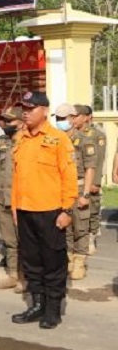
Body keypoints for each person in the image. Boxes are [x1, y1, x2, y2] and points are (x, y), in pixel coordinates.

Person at [11, 91, 77, 329]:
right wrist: (16, 208)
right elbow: (17, 178)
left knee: (53, 262)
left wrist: (67, 210)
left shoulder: (59, 139)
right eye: (24, 109)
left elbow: (69, 177)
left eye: (31, 109)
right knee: (31, 262)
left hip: (51, 211)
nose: (26, 113)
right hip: (25, 210)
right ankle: (36, 305)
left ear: (45, 111)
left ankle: (53, 309)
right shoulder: (21, 138)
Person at [0, 107, 24, 292]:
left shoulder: (27, 141)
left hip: (23, 199)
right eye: (4, 121)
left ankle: (27, 277)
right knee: (9, 240)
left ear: (21, 121)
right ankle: (13, 275)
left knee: (26, 240)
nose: (6, 125)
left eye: (11, 121)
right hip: (2, 198)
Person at [56, 104, 95, 281]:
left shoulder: (84, 140)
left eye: (63, 118)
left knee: (80, 227)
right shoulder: (56, 140)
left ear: (72, 118)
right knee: (65, 228)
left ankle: (79, 261)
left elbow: (90, 168)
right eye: (57, 118)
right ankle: (69, 260)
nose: (60, 122)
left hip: (78, 187)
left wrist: (85, 194)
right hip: (61, 189)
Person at [74, 105, 106, 255]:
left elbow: (98, 160)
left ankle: (91, 236)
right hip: (75, 179)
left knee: (92, 209)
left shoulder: (96, 135)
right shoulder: (71, 134)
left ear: (86, 117)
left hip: (90, 178)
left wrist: (96, 181)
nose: (74, 119)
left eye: (77, 115)